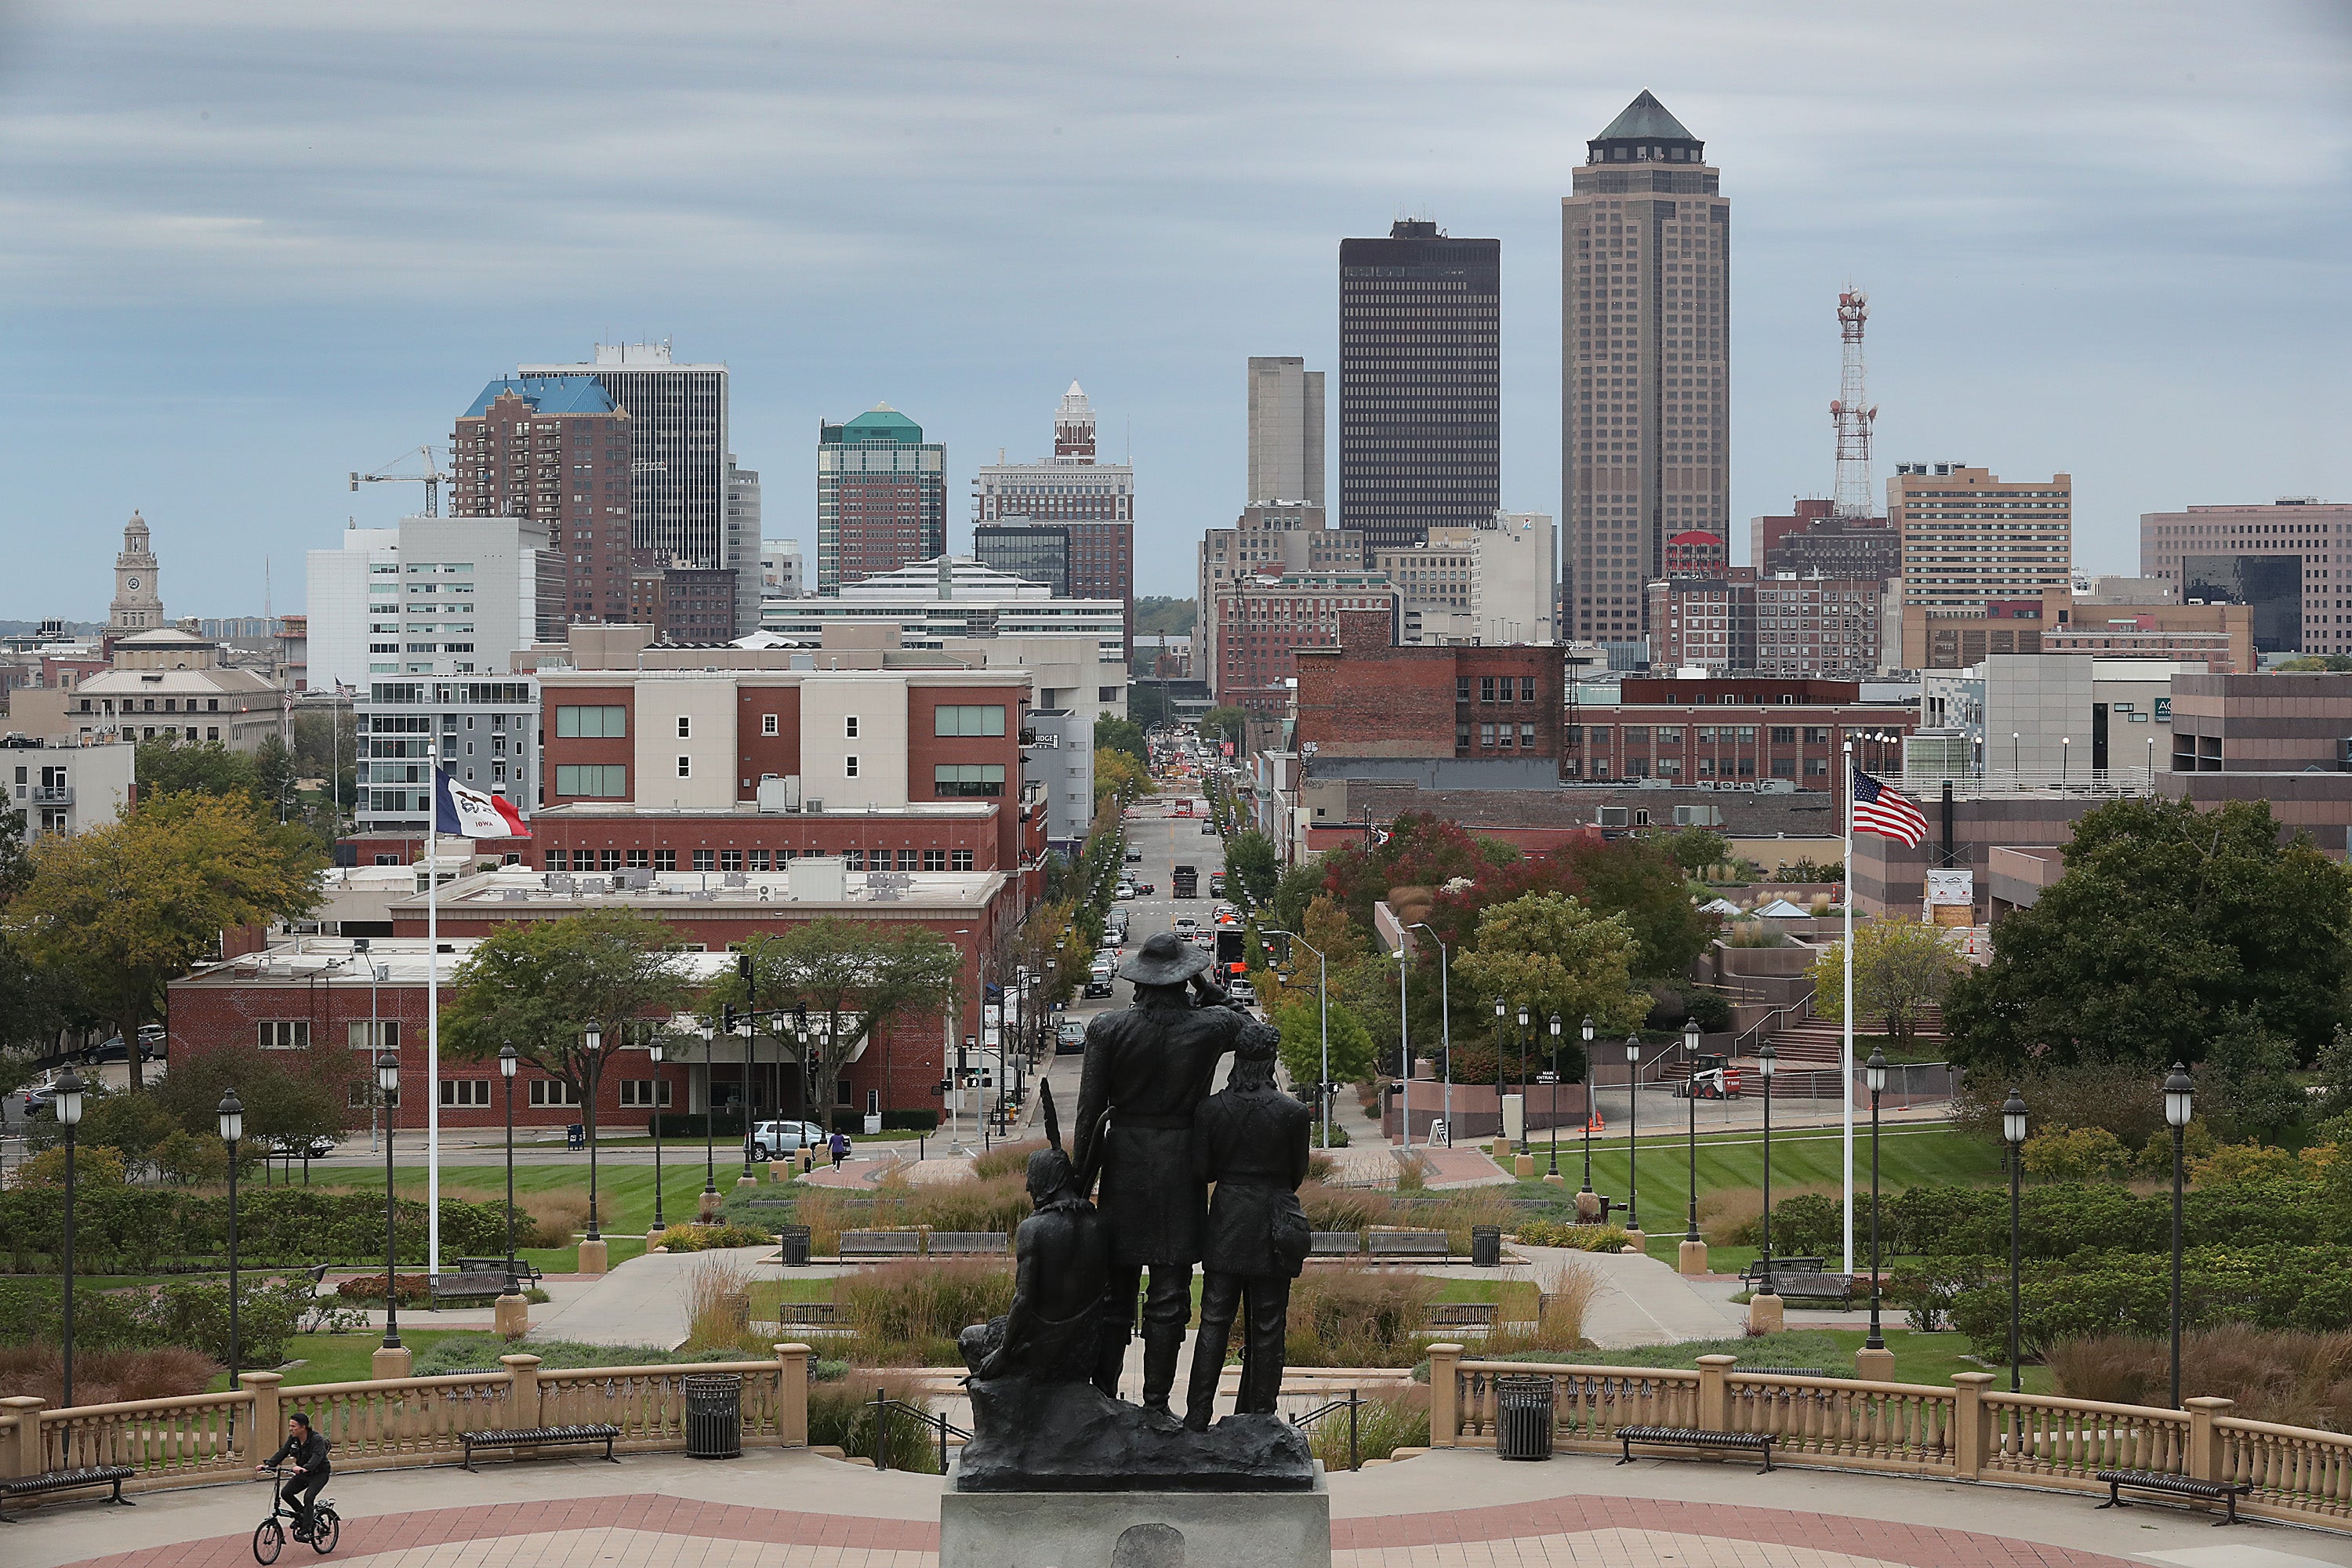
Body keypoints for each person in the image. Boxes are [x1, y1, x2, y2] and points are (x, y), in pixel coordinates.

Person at [1071, 931, 1252, 1414]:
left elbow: (1089, 1115)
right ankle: (1156, 1405)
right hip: (1181, 1162)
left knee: (1116, 1291)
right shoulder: (1211, 1025)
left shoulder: (1109, 1029)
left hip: (1125, 1162)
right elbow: (1256, 1037)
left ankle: (1103, 1398)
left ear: (1139, 983)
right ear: (1184, 980)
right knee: (1170, 1292)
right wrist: (1212, 990)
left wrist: (1078, 1184)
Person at [1183, 1024, 1312, 1430]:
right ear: (1270, 1061)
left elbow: (1202, 1171)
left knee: (1214, 1320)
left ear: (1237, 1061)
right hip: (1273, 1223)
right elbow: (1296, 1174)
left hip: (1228, 1222)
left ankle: (1197, 1414)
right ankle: (1261, 1416)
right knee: (1269, 1324)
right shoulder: (1293, 1113)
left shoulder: (1210, 1110)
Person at [258, 1412, 330, 1539]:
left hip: (319, 1474)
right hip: (303, 1473)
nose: (291, 1429)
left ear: (303, 1427)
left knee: (308, 1497)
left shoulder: (316, 1439)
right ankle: (303, 1516)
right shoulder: (293, 1439)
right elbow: (283, 1452)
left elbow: (317, 1456)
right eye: (290, 1426)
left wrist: (305, 1468)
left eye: (293, 1426)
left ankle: (307, 1530)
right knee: (286, 1493)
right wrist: (268, 1465)